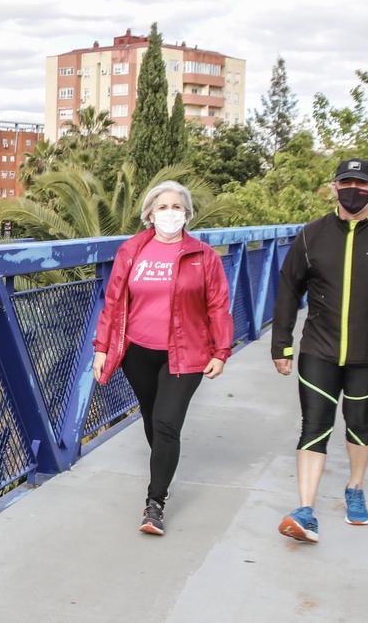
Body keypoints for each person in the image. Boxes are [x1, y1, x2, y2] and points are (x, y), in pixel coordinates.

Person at [271, 158, 368, 543]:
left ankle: (354, 488)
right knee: (314, 425)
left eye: (361, 184)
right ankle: (306, 509)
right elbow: (289, 288)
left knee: (358, 422)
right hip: (318, 349)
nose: (353, 190)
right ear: (333, 187)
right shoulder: (312, 235)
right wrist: (282, 344)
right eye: (346, 183)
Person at [92, 181, 233, 536]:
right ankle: (164, 464)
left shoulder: (204, 257)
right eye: (163, 207)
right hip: (137, 352)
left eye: (177, 207)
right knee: (154, 419)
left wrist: (221, 350)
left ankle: (155, 503)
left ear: (187, 215)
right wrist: (102, 347)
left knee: (168, 422)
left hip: (185, 354)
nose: (170, 213)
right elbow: (113, 303)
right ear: (150, 213)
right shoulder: (131, 251)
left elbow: (218, 305)